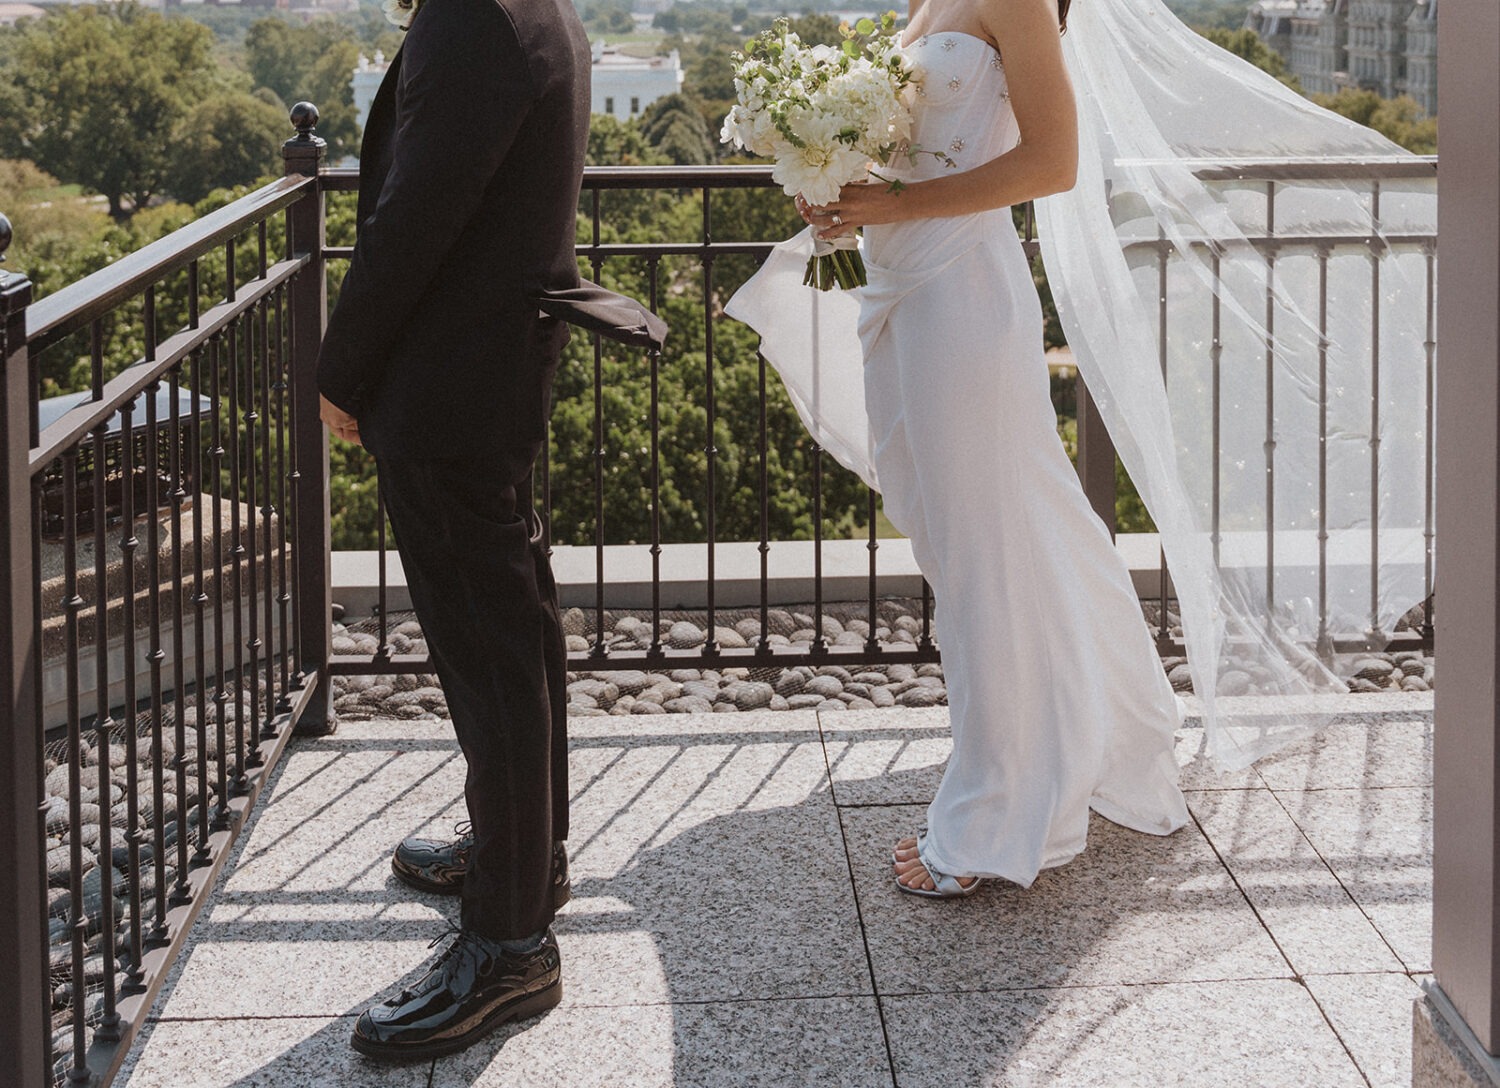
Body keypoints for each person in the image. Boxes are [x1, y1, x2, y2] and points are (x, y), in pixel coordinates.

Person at [732, 0, 1191, 898]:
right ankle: (1110, 723)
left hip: (963, 293)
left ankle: (998, 816)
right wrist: (838, 183)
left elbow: (1052, 163)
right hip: (894, 285)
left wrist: (892, 201)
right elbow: (920, 146)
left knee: (980, 548)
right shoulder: (916, 2)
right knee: (971, 531)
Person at [314, 0, 589, 1058]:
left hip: (448, 385)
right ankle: (525, 859)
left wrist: (342, 367)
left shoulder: (476, 13)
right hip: (489, 373)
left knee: (490, 654)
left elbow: (414, 211)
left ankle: (510, 944)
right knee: (512, 633)